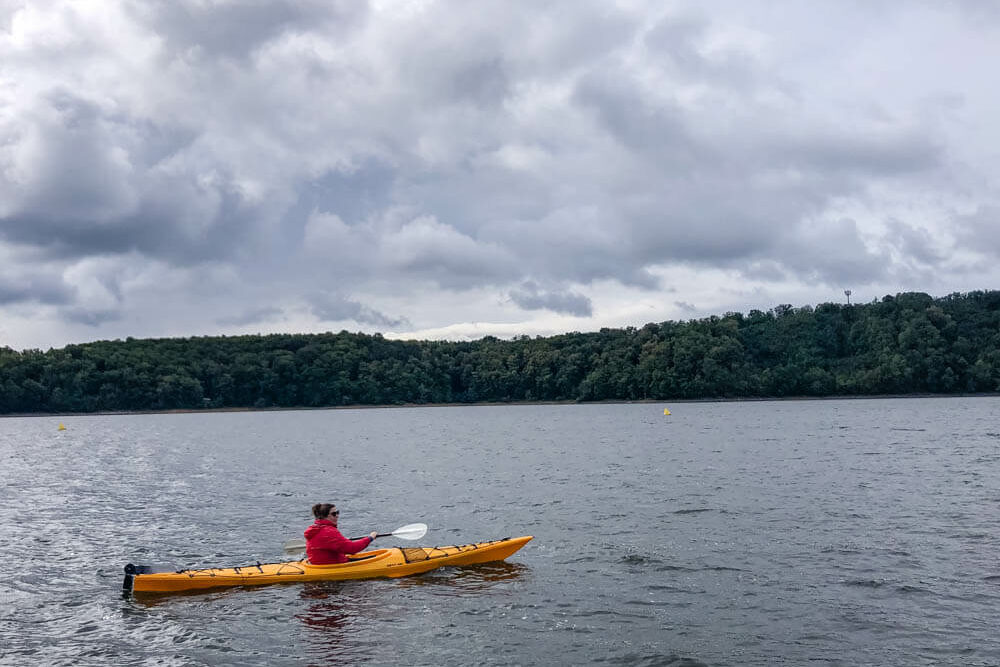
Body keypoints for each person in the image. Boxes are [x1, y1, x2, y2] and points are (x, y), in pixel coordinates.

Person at [304, 503, 378, 565]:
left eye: (337, 512)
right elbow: (352, 549)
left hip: (317, 564)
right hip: (333, 565)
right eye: (334, 514)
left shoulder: (315, 529)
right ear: (325, 516)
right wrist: (370, 538)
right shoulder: (328, 531)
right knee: (375, 559)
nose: (337, 515)